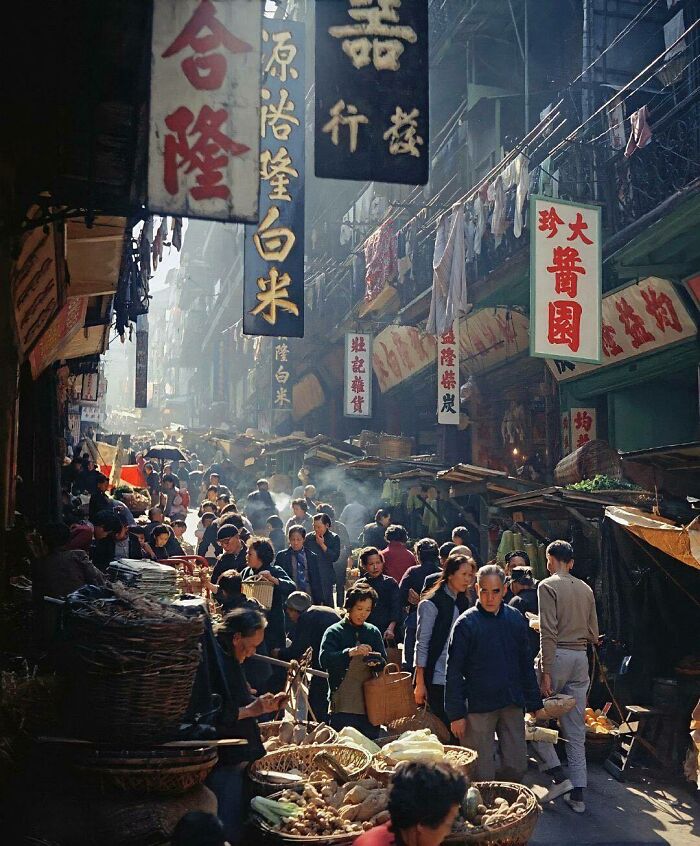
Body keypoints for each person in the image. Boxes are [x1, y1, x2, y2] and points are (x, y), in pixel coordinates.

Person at [445, 564, 544, 782]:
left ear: (505, 590)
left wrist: (534, 702)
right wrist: (456, 714)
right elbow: (453, 671)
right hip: (478, 706)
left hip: (511, 701)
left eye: (496, 591)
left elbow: (525, 663)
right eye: (484, 591)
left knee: (517, 766)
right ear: (476, 588)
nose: (490, 597)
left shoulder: (515, 619)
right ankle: (483, 810)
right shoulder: (466, 624)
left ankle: (507, 808)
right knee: (480, 772)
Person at [533, 540, 600, 814]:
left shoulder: (547, 585)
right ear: (570, 562)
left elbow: (547, 631)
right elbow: (594, 633)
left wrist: (546, 670)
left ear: (550, 560)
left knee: (531, 719)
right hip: (580, 658)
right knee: (575, 731)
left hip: (557, 656)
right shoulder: (585, 588)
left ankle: (559, 777)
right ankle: (579, 796)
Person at [210, 608, 287, 842]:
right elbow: (212, 713)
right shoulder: (215, 662)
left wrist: (262, 706)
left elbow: (238, 701)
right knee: (229, 820)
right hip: (226, 758)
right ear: (235, 638)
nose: (253, 653)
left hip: (239, 757)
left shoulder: (230, 658)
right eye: (251, 646)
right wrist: (249, 710)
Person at [414, 554, 474, 731]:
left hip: (459, 676)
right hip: (436, 677)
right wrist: (420, 683)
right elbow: (422, 644)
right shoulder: (431, 604)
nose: (467, 580)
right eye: (464, 574)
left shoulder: (464, 601)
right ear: (450, 574)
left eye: (470, 575)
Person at [319, 583, 387, 739]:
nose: (363, 614)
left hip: (370, 702)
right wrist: (349, 652)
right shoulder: (334, 631)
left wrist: (376, 660)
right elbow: (324, 660)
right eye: (359, 609)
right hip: (344, 702)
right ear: (349, 607)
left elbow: (383, 662)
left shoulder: (373, 631)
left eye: (368, 610)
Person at [352, 761, 467, 846]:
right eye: (448, 825)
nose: (447, 832)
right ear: (421, 825)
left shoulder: (401, 832)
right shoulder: (374, 843)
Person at [277, 592, 340, 722]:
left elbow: (296, 650)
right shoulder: (318, 612)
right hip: (336, 654)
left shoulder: (306, 618)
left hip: (327, 659)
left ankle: (315, 725)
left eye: (289, 612)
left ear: (294, 610)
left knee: (318, 695)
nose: (289, 616)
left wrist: (278, 653)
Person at [240, 538, 295, 657]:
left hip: (273, 624)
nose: (247, 556)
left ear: (260, 556)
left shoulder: (274, 571)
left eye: (250, 554)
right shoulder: (245, 572)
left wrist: (273, 580)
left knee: (274, 659)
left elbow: (291, 587)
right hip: (252, 626)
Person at [398, 539, 440, 673]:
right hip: (438, 620)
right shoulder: (442, 574)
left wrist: (417, 600)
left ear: (418, 555)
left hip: (415, 619)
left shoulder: (412, 572)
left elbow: (401, 596)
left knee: (411, 660)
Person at [355, 547, 400, 644]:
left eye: (378, 563)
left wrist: (391, 628)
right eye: (371, 564)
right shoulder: (360, 585)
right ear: (364, 565)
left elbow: (396, 608)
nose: (375, 567)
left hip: (385, 631)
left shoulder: (390, 583)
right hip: (363, 630)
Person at [274, 525, 325, 604]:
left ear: (304, 539)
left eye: (298, 539)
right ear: (289, 539)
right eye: (292, 539)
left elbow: (317, 580)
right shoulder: (282, 556)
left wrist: (320, 599)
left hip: (309, 596)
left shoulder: (311, 556)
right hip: (289, 596)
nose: (295, 543)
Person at [318, 502, 351, 607]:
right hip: (340, 559)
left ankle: (329, 607)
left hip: (325, 560)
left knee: (326, 584)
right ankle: (340, 607)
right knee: (340, 584)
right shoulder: (341, 526)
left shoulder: (320, 528)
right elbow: (347, 545)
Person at [304, 513, 340, 607]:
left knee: (327, 603)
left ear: (327, 525)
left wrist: (322, 545)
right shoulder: (309, 538)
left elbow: (334, 557)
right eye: (314, 526)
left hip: (326, 576)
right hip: (311, 574)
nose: (316, 529)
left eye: (319, 527)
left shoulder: (334, 538)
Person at [508, 564, 539, 662]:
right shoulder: (543, 597)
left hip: (522, 656)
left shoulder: (516, 601)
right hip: (543, 653)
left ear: (515, 583)